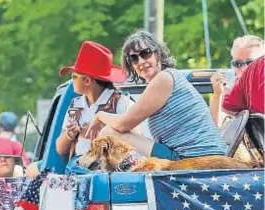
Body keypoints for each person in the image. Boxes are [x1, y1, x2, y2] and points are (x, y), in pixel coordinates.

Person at [89, 29, 227, 160]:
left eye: (146, 53)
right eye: (134, 58)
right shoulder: (170, 77)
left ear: (158, 54)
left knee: (110, 132)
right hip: (202, 155)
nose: (141, 61)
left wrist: (99, 116)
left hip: (191, 159)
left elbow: (123, 124)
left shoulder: (164, 79)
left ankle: (112, 183)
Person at [56, 40, 133, 174]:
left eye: (74, 76)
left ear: (87, 81)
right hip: (80, 168)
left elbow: (133, 143)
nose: (72, 80)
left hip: (112, 171)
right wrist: (70, 134)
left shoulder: (120, 102)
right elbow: (60, 149)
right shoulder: (75, 105)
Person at [210, 35, 264, 127]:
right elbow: (215, 128)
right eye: (237, 64)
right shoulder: (231, 87)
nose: (243, 68)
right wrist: (217, 95)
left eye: (250, 63)